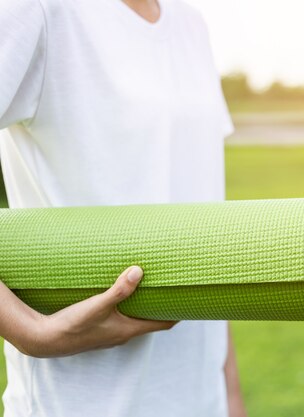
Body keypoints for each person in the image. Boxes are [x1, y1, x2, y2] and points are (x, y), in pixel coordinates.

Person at [0, 1, 247, 416]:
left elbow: (201, 209)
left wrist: (230, 398)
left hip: (200, 399)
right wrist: (30, 330)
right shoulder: (37, 10)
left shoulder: (190, 23)